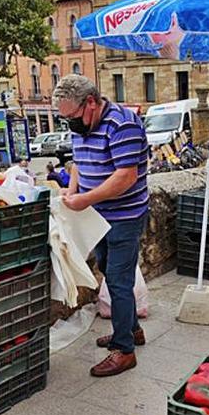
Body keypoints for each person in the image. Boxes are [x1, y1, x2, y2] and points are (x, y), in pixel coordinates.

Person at [52, 74, 149, 377]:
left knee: (118, 281)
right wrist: (72, 190)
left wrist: (85, 199)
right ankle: (131, 329)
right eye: (64, 118)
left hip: (125, 216)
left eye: (73, 116)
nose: (71, 123)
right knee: (109, 270)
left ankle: (124, 351)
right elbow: (79, 162)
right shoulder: (83, 125)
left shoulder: (123, 124)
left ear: (91, 102)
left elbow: (126, 177)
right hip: (98, 217)